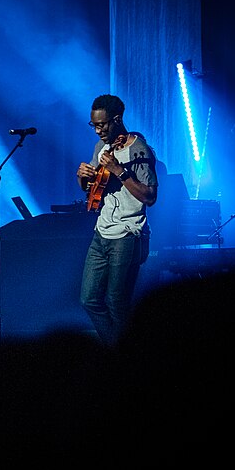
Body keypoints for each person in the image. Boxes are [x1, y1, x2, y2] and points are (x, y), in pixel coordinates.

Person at [76, 94, 158, 347]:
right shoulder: (101, 148)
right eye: (94, 125)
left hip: (128, 234)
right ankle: (119, 353)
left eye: (102, 125)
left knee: (116, 301)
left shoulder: (139, 149)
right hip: (102, 232)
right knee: (88, 299)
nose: (98, 131)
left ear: (117, 120)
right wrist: (82, 176)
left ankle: (127, 361)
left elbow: (151, 196)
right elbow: (90, 188)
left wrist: (120, 171)